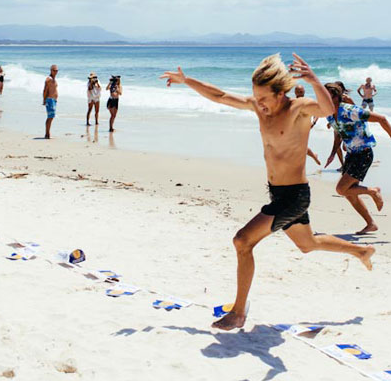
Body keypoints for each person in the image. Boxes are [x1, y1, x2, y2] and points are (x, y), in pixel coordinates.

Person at [160, 53, 375, 331]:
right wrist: (187, 80)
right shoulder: (259, 108)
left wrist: (313, 80)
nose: (258, 102)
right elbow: (221, 95)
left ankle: (238, 313)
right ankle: (361, 252)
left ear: (280, 92)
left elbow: (327, 110)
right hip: (278, 193)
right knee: (308, 244)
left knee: (242, 242)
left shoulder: (298, 108)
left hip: (294, 196)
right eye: (255, 96)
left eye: (263, 97)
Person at [325, 81, 391, 234]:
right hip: (351, 154)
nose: (320, 98)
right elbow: (338, 135)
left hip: (363, 153)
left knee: (341, 189)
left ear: (335, 97)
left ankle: (373, 191)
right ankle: (371, 224)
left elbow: (381, 118)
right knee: (349, 193)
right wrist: (332, 154)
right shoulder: (329, 115)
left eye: (324, 95)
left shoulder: (349, 110)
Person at [324, 82, 356, 169]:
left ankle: (349, 164)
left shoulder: (346, 99)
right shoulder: (331, 102)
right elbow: (333, 114)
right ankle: (343, 165)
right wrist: (330, 122)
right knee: (337, 146)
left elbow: (356, 112)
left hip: (348, 126)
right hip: (338, 126)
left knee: (345, 147)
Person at [293, 85, 321, 165]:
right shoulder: (292, 102)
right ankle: (314, 156)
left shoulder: (309, 102)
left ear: (304, 92)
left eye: (301, 92)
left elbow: (317, 113)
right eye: (298, 91)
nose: (300, 93)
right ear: (295, 92)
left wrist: (313, 123)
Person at [42, 65, 58, 139]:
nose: (56, 72)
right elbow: (45, 90)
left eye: (57, 71)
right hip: (50, 99)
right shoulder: (48, 79)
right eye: (54, 70)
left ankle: (47, 133)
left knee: (51, 116)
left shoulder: (54, 79)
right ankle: (47, 133)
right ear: (51, 70)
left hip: (54, 100)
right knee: (50, 117)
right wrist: (44, 100)